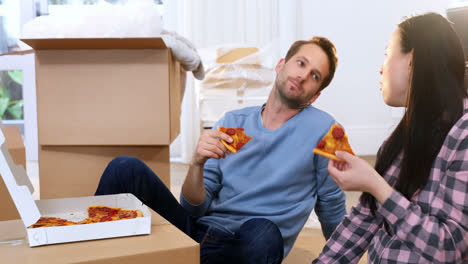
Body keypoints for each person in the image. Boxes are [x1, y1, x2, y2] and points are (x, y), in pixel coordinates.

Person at [95, 36, 346, 264]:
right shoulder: (232, 122)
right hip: (196, 233)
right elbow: (193, 208)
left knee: (265, 233)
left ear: (316, 96)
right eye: (301, 63)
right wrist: (196, 163)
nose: (303, 75)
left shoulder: (327, 132)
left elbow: (332, 205)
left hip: (249, 245)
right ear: (281, 65)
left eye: (315, 75)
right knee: (124, 168)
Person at [313, 13, 468, 263]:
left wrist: (377, 186)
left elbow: (449, 248)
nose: (381, 67)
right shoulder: (399, 141)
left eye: (387, 54)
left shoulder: (464, 133)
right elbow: (362, 219)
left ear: (413, 60)